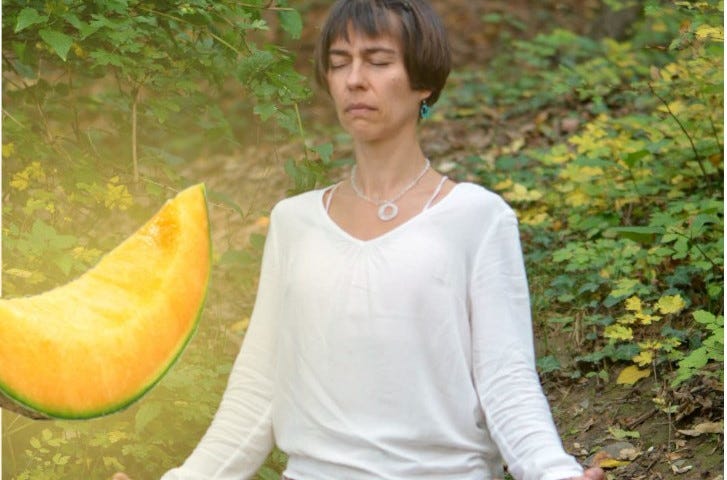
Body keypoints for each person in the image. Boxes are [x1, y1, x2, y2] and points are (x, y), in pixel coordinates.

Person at [115, 1, 605, 479]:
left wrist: (553, 472)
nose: (354, 80)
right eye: (338, 63)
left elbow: (506, 381)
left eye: (378, 61)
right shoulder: (294, 222)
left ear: (424, 82)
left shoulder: (476, 218)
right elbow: (259, 387)